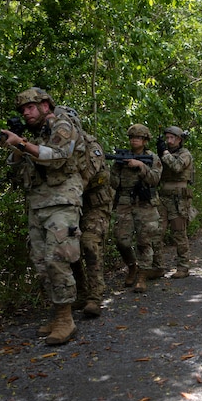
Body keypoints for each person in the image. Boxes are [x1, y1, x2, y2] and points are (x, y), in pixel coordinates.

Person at [2, 87, 84, 345]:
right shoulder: (33, 135)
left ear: (45, 105)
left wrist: (23, 144)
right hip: (38, 203)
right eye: (23, 110)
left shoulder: (63, 123)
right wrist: (17, 148)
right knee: (41, 263)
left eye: (30, 107)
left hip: (62, 200)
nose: (26, 113)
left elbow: (58, 157)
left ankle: (65, 318)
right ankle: (57, 311)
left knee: (57, 257)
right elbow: (14, 171)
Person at [110, 124, 163, 292]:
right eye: (132, 137)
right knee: (121, 240)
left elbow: (155, 180)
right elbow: (114, 183)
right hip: (125, 202)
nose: (134, 140)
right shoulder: (122, 158)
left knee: (144, 241)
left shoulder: (152, 158)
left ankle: (142, 275)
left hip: (145, 203)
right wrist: (116, 169)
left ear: (145, 141)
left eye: (138, 137)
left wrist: (140, 166)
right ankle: (132, 266)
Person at [71, 124, 113, 318]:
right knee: (70, 249)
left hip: (95, 206)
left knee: (89, 243)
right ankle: (81, 293)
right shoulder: (53, 144)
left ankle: (94, 297)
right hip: (71, 205)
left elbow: (87, 176)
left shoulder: (90, 145)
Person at [155, 126, 194, 279]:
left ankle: (183, 267)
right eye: (167, 138)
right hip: (163, 198)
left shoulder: (185, 154)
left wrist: (164, 153)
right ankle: (157, 266)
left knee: (179, 233)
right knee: (157, 231)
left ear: (179, 140)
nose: (169, 141)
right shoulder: (164, 154)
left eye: (172, 138)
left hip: (178, 199)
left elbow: (177, 167)